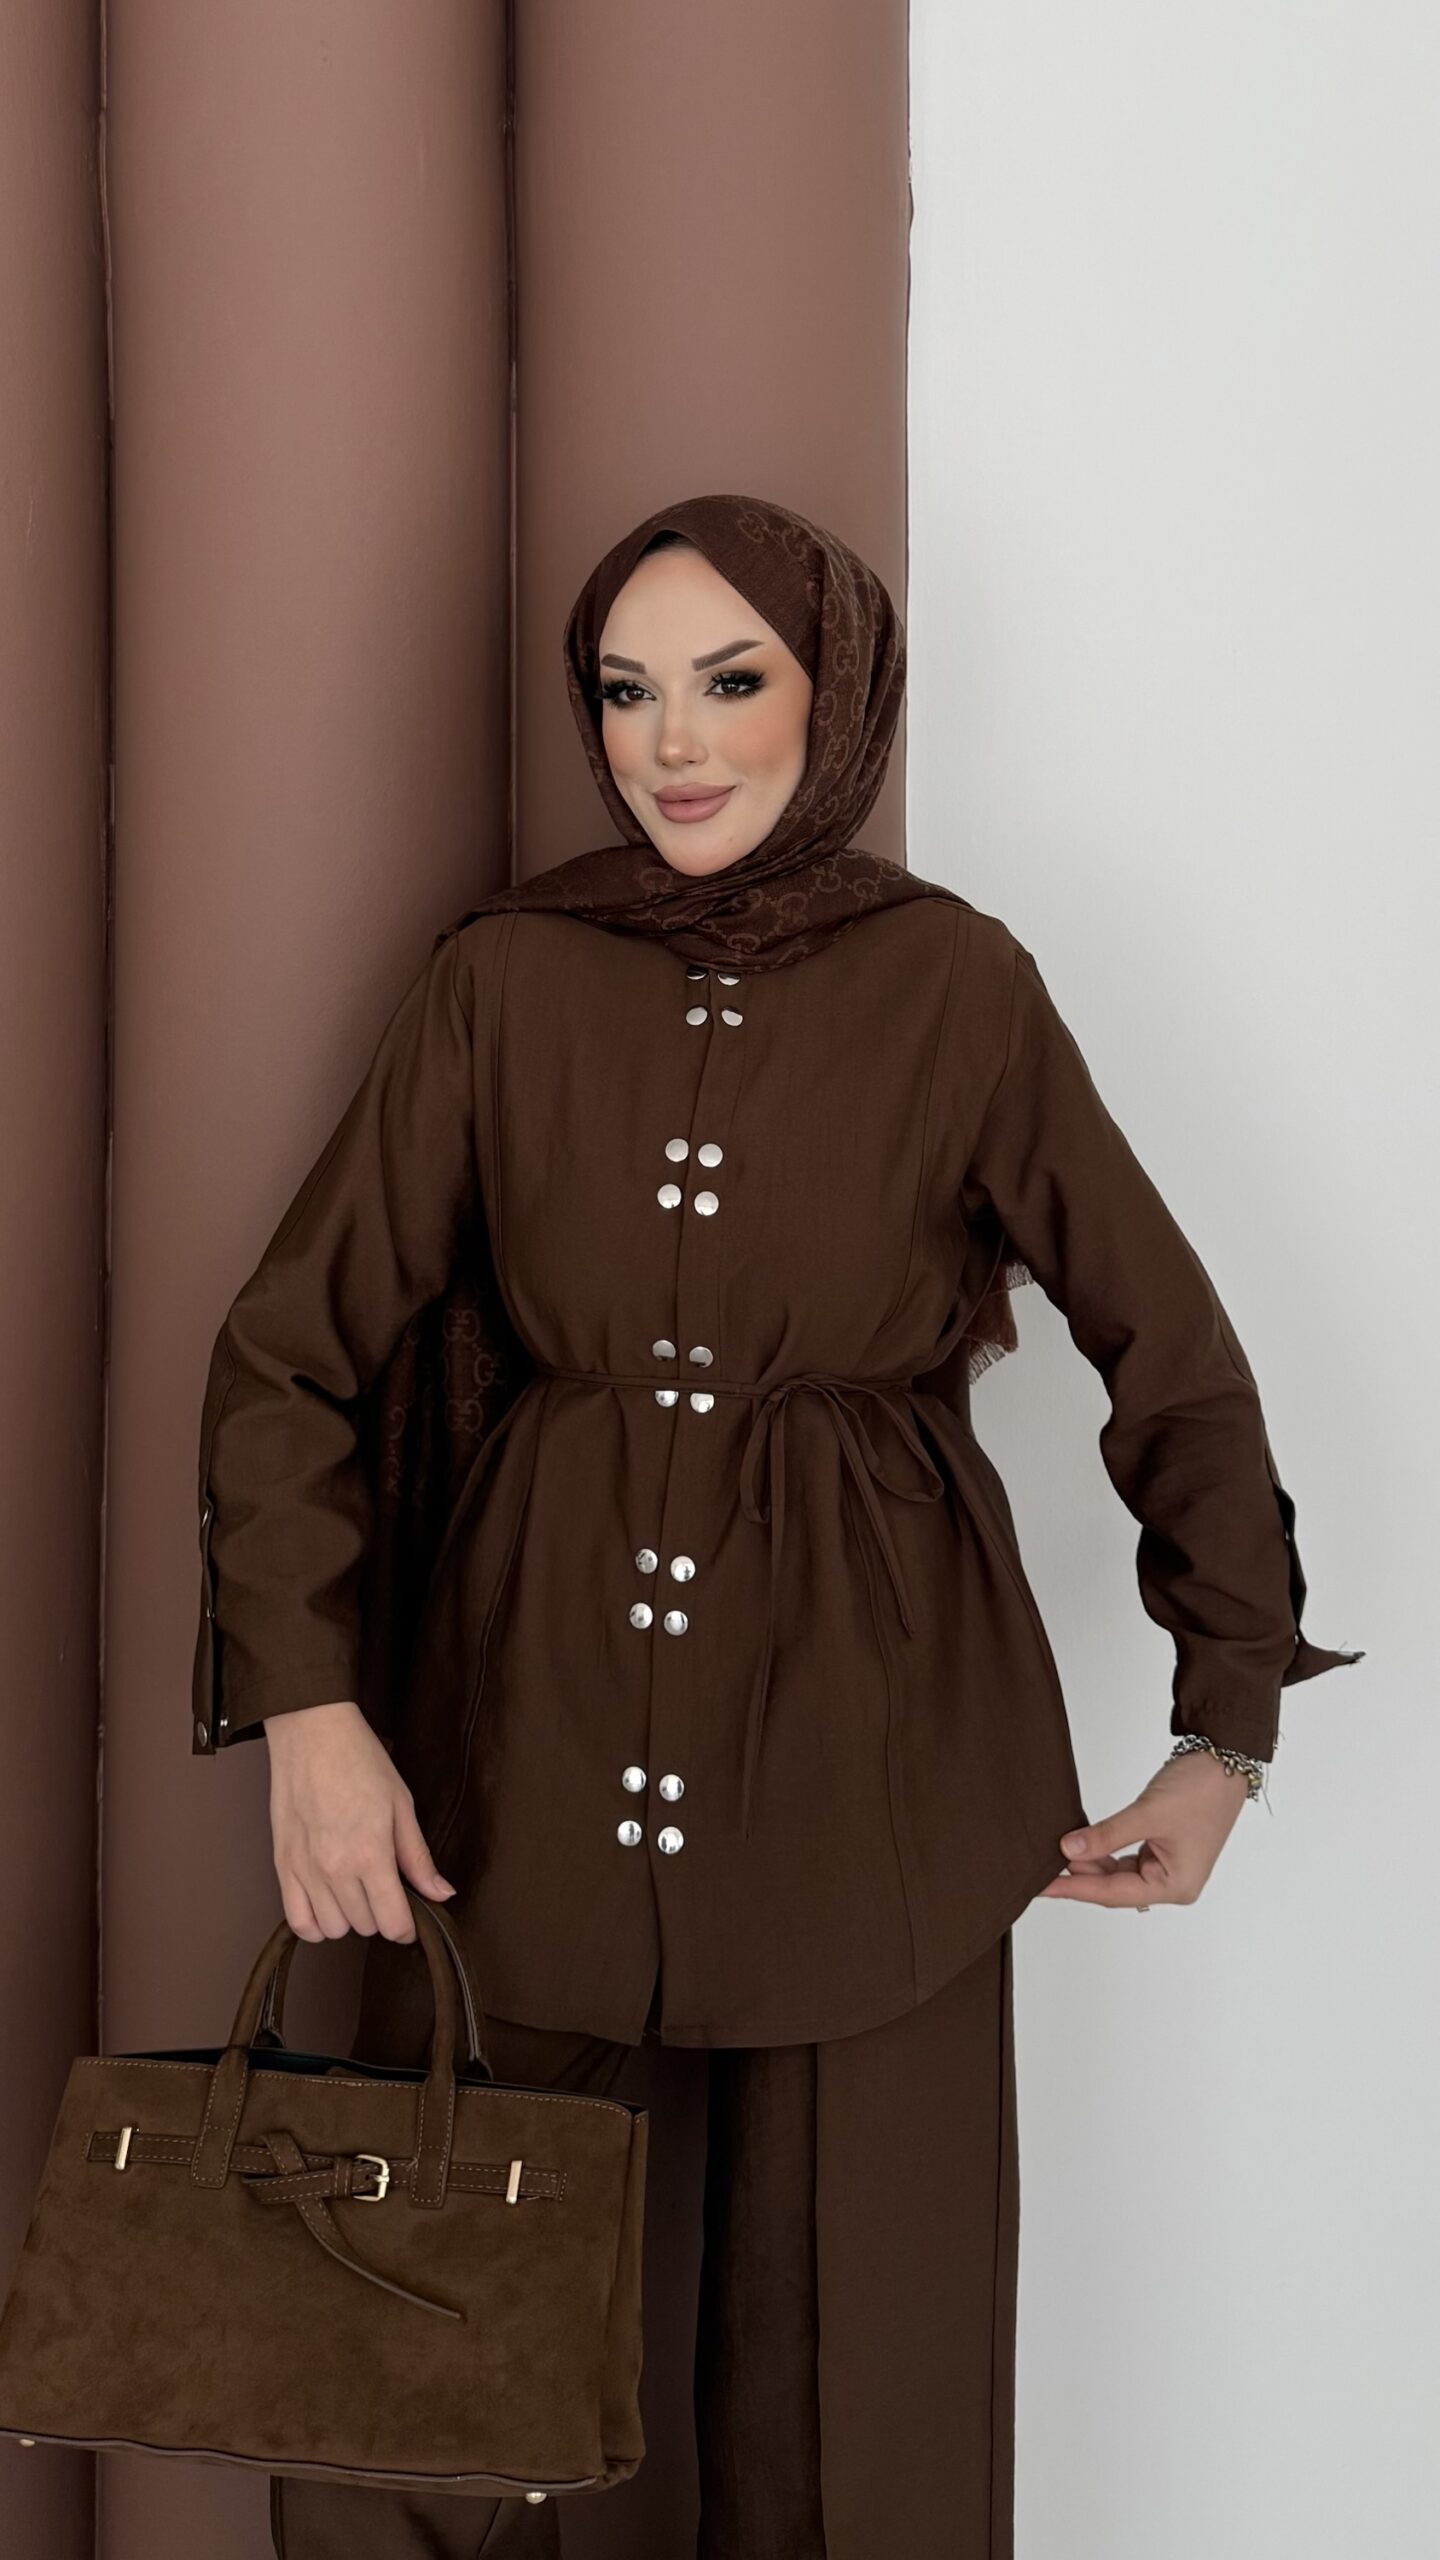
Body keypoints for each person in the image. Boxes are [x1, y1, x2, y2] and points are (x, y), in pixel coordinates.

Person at [191, 492, 1362, 2559]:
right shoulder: (501, 979)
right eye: (626, 689)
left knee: (864, 2437)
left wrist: (1228, 1722)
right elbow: (290, 1353)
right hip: (514, 1770)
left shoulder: (959, 987)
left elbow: (1170, 1352)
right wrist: (310, 1706)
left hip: (878, 1784)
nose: (674, 740)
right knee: (409, 2412)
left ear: (838, 701)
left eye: (732, 680)